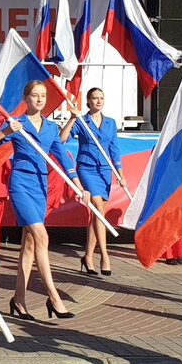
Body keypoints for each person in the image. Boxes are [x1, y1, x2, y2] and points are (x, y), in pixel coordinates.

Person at [0, 81, 82, 321]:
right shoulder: (18, 123)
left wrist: (78, 185)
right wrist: (8, 131)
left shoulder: (50, 128)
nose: (39, 100)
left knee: (29, 246)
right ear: (26, 98)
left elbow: (64, 159)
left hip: (41, 187)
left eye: (43, 96)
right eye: (34, 95)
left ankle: (18, 301)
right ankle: (54, 297)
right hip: (20, 185)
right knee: (41, 236)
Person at [65, 88, 124, 277]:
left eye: (101, 98)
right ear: (88, 102)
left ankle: (87, 256)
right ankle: (104, 256)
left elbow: (114, 149)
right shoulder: (83, 121)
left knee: (97, 215)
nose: (98, 101)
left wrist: (120, 174)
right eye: (94, 98)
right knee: (98, 207)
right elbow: (62, 138)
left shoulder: (110, 123)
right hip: (87, 168)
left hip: (105, 170)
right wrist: (73, 118)